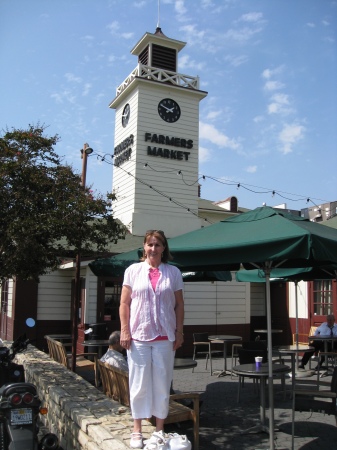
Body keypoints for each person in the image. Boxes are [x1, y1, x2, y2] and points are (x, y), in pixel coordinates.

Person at [119, 230, 184, 449]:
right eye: (150, 244)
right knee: (138, 383)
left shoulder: (173, 272)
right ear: (144, 247)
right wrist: (124, 330)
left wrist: (180, 331)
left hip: (165, 336)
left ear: (164, 248)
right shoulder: (133, 271)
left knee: (162, 384)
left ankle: (159, 430)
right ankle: (137, 429)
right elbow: (124, 304)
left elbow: (179, 305)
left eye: (158, 245)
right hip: (138, 335)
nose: (153, 249)